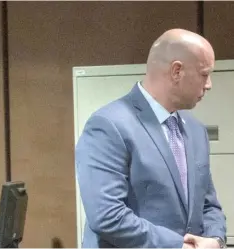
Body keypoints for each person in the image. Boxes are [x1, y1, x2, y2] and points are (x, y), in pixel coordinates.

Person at [76, 28, 226, 248]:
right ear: (177, 71)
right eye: (204, 74)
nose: (209, 84)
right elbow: (107, 215)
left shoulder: (196, 130)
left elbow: (208, 205)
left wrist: (215, 239)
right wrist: (179, 246)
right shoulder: (108, 126)